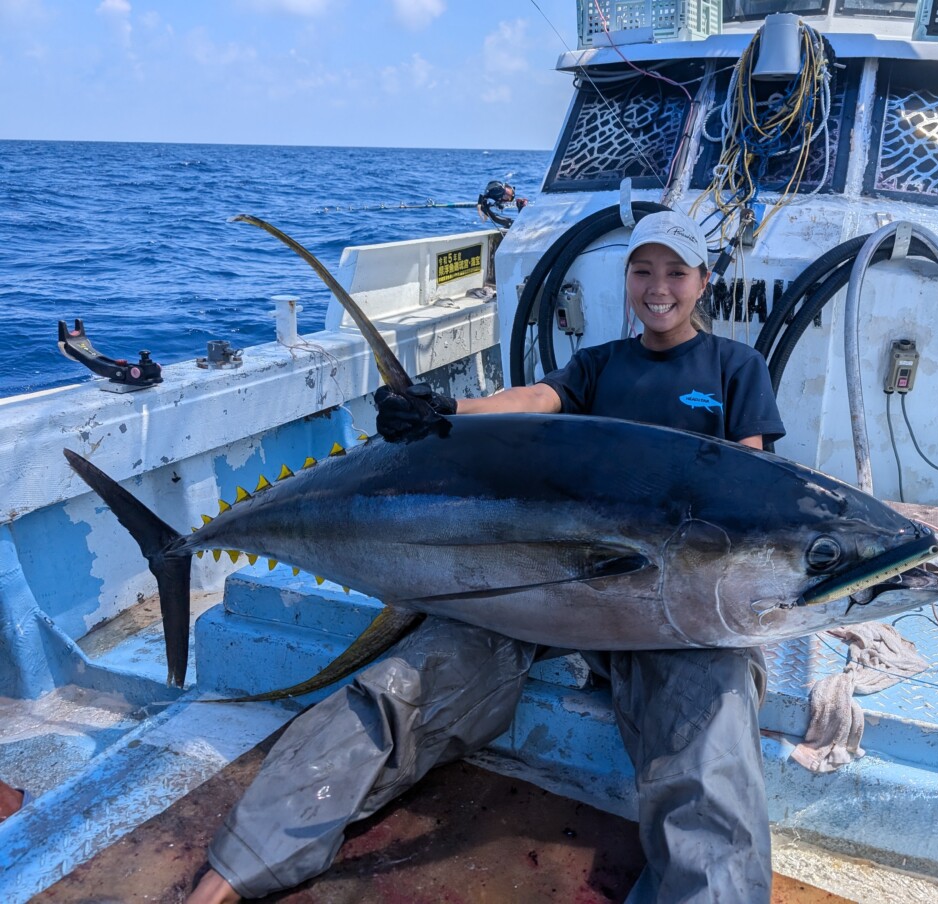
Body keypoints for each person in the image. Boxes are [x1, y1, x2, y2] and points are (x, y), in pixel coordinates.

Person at [188, 209, 785, 904]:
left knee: (710, 740)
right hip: (547, 588)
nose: (659, 288)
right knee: (397, 690)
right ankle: (236, 867)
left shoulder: (735, 367)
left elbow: (754, 490)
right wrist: (447, 411)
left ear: (702, 281)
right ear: (626, 279)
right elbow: (536, 399)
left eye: (676, 273)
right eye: (643, 270)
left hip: (675, 608)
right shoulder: (600, 364)